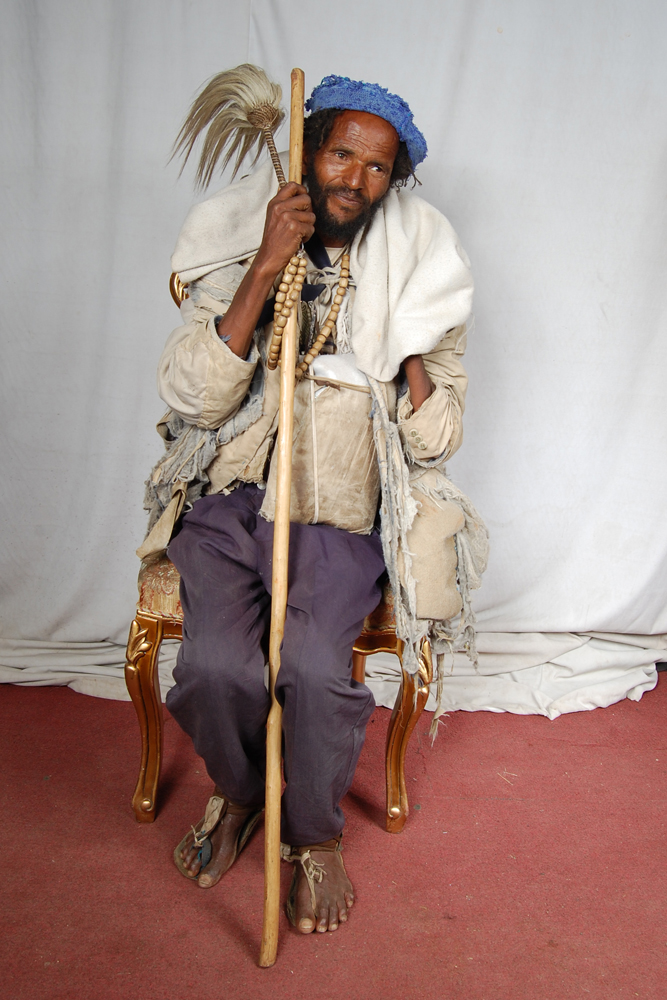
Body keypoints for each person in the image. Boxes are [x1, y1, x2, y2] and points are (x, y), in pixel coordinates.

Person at [143, 70, 485, 936]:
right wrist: (266, 264)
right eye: (340, 155)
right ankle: (238, 793)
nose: (353, 179)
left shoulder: (421, 270)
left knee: (313, 672)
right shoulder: (239, 243)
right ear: (306, 151)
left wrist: (408, 339)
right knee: (214, 669)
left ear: (392, 181)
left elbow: (436, 438)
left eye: (376, 168)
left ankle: (312, 834)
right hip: (231, 507)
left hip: (337, 516)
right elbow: (192, 396)